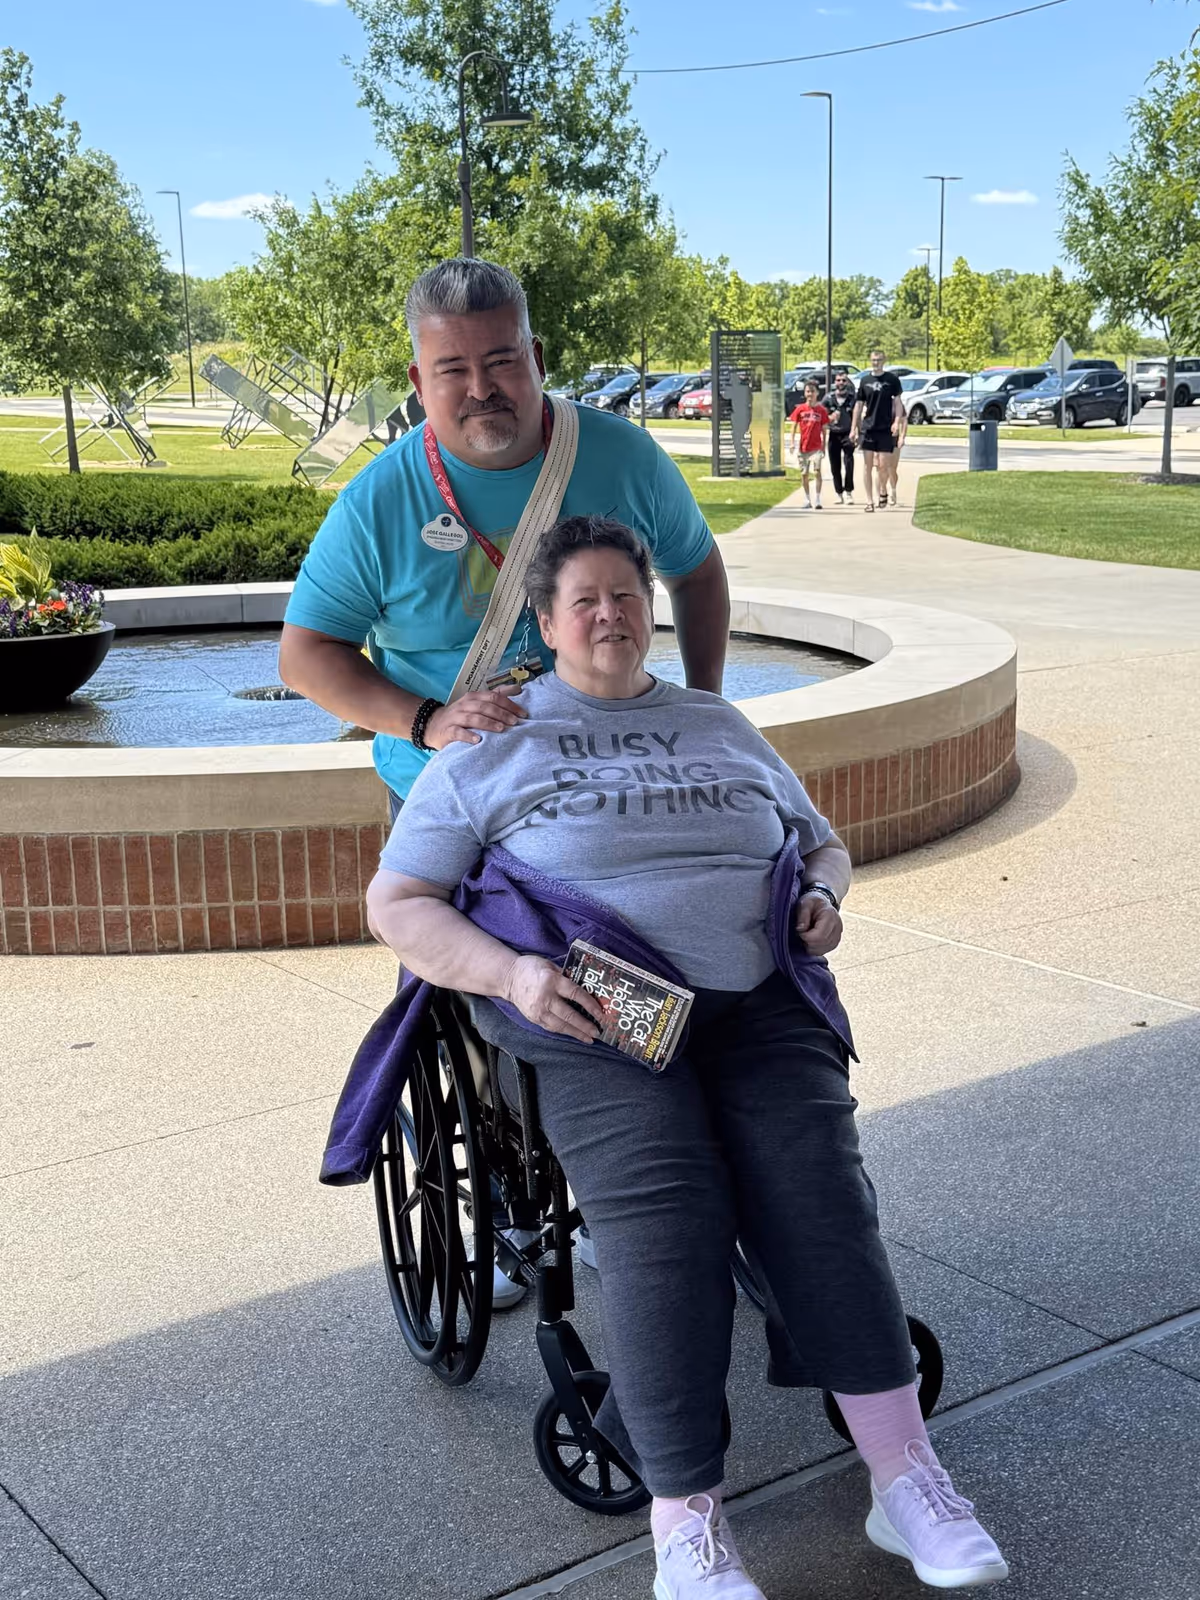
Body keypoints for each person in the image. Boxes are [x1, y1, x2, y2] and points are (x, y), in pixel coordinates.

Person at [362, 515, 1010, 1599]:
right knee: (667, 1222)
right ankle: (687, 1527)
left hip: (758, 1001)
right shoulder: (495, 745)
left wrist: (822, 895)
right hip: (599, 1016)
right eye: (585, 600)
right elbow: (399, 901)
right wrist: (513, 976)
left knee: (821, 1198)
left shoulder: (718, 722)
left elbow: (820, 840)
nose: (610, 614)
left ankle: (908, 1480)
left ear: (648, 606)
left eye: (627, 593)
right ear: (546, 620)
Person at [280, 258, 730, 1308]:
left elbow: (697, 568)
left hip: (606, 766)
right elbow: (309, 656)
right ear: (418, 377)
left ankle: (665, 1139)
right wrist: (425, 721)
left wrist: (704, 709)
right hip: (456, 789)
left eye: (500, 361)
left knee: (678, 924)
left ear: (535, 356)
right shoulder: (383, 497)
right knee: (491, 979)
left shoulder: (616, 456)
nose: (482, 388)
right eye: (453, 369)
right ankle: (538, 1161)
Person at [850, 349, 904, 512]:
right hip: (869, 428)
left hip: (885, 428)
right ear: (870, 361)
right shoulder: (865, 381)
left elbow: (898, 403)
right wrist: (854, 428)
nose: (876, 363)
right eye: (874, 360)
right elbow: (858, 406)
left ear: (884, 360)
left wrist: (896, 422)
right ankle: (869, 501)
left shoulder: (892, 380)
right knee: (867, 466)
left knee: (883, 465)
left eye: (879, 360)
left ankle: (882, 490)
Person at [787, 379, 829, 509]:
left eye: (812, 391)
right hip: (803, 447)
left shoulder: (821, 410)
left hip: (816, 446)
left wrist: (824, 446)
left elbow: (824, 429)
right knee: (804, 473)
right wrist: (792, 443)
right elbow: (793, 426)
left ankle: (817, 499)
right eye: (807, 391)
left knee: (816, 471)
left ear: (817, 393)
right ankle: (807, 499)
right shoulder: (800, 409)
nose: (810, 394)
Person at [822, 370, 857, 504]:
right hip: (834, 434)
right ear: (834, 382)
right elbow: (822, 418)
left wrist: (857, 432)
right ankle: (839, 493)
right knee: (835, 465)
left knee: (849, 463)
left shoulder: (852, 398)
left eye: (843, 380)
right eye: (838, 380)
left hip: (848, 433)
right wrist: (831, 418)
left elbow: (856, 416)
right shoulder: (828, 398)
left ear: (847, 382)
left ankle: (849, 492)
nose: (841, 383)